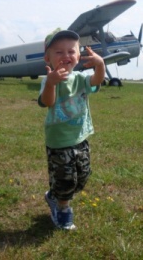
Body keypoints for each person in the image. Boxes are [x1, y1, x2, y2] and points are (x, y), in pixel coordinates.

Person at [38, 28, 105, 230]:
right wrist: (51, 83)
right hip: (59, 142)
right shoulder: (49, 81)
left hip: (80, 138)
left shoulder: (80, 79)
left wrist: (100, 65)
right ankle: (63, 209)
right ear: (47, 58)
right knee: (65, 179)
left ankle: (54, 195)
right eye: (59, 52)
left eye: (71, 51)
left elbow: (97, 80)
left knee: (82, 175)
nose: (66, 56)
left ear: (78, 55)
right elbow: (48, 102)